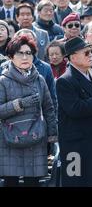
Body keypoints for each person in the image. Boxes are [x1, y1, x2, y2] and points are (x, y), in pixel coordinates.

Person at [0, 35, 57, 187]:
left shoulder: (40, 79)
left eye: (28, 53)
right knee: (10, 181)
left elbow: (49, 108)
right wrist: (19, 104)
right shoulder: (3, 81)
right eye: (20, 53)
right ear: (11, 57)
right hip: (9, 139)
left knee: (33, 182)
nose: (25, 57)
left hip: (36, 137)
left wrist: (52, 135)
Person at [56, 37, 92, 187]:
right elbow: (74, 109)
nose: (90, 55)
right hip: (75, 146)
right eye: (86, 52)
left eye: (91, 52)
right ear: (73, 57)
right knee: (75, 183)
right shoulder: (64, 81)